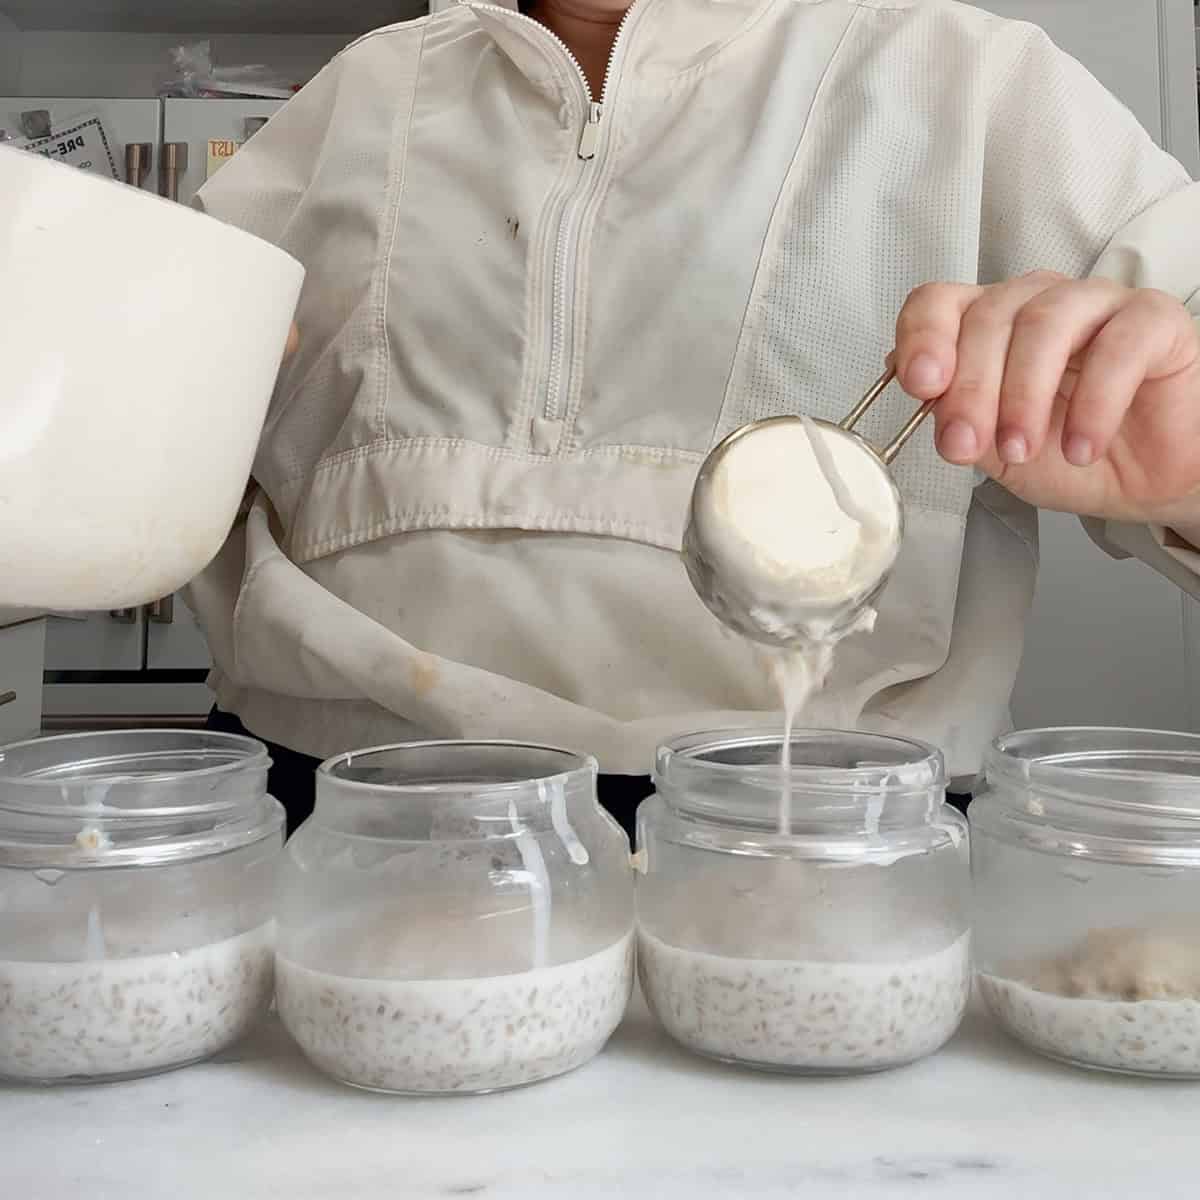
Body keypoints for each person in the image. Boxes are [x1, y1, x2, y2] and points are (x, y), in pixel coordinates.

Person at [191, 0, 1200, 836]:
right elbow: (135, 442)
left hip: (841, 835)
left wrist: (1185, 469)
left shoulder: (976, 83)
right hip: (332, 814)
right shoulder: (362, 98)